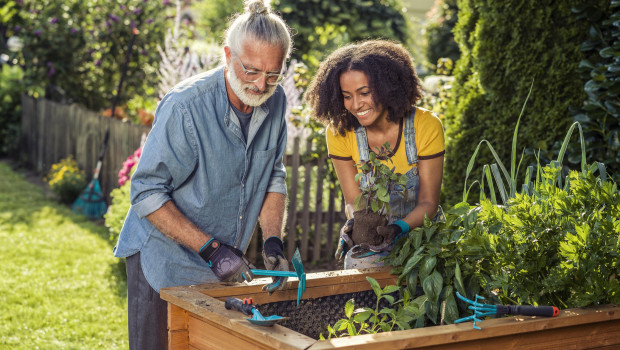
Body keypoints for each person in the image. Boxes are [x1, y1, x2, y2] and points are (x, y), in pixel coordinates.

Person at [113, 1, 293, 348]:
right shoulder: (186, 107)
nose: (260, 85)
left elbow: (273, 173)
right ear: (228, 55)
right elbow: (146, 192)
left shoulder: (277, 101)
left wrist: (272, 239)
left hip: (218, 267)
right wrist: (211, 250)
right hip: (163, 262)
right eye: (251, 71)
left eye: (273, 75)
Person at [304, 40, 445, 269]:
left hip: (423, 240)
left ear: (387, 86)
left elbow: (429, 202)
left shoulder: (425, 125)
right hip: (374, 242)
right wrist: (355, 221)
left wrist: (398, 229)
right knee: (358, 269)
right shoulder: (340, 133)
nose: (356, 104)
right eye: (347, 96)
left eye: (365, 93)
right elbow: (353, 200)